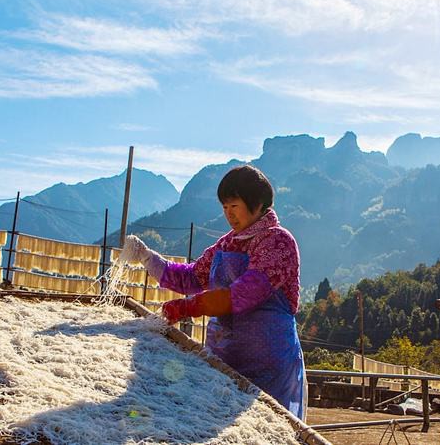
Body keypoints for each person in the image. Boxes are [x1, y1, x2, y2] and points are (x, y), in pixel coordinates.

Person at [122, 165, 306, 420]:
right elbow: (191, 277)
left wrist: (188, 307)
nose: (229, 215)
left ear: (257, 203)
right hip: (224, 355)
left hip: (267, 362)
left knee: (263, 426)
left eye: (235, 206)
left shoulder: (277, 241)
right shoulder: (227, 243)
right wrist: (147, 257)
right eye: (225, 208)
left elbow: (246, 292)